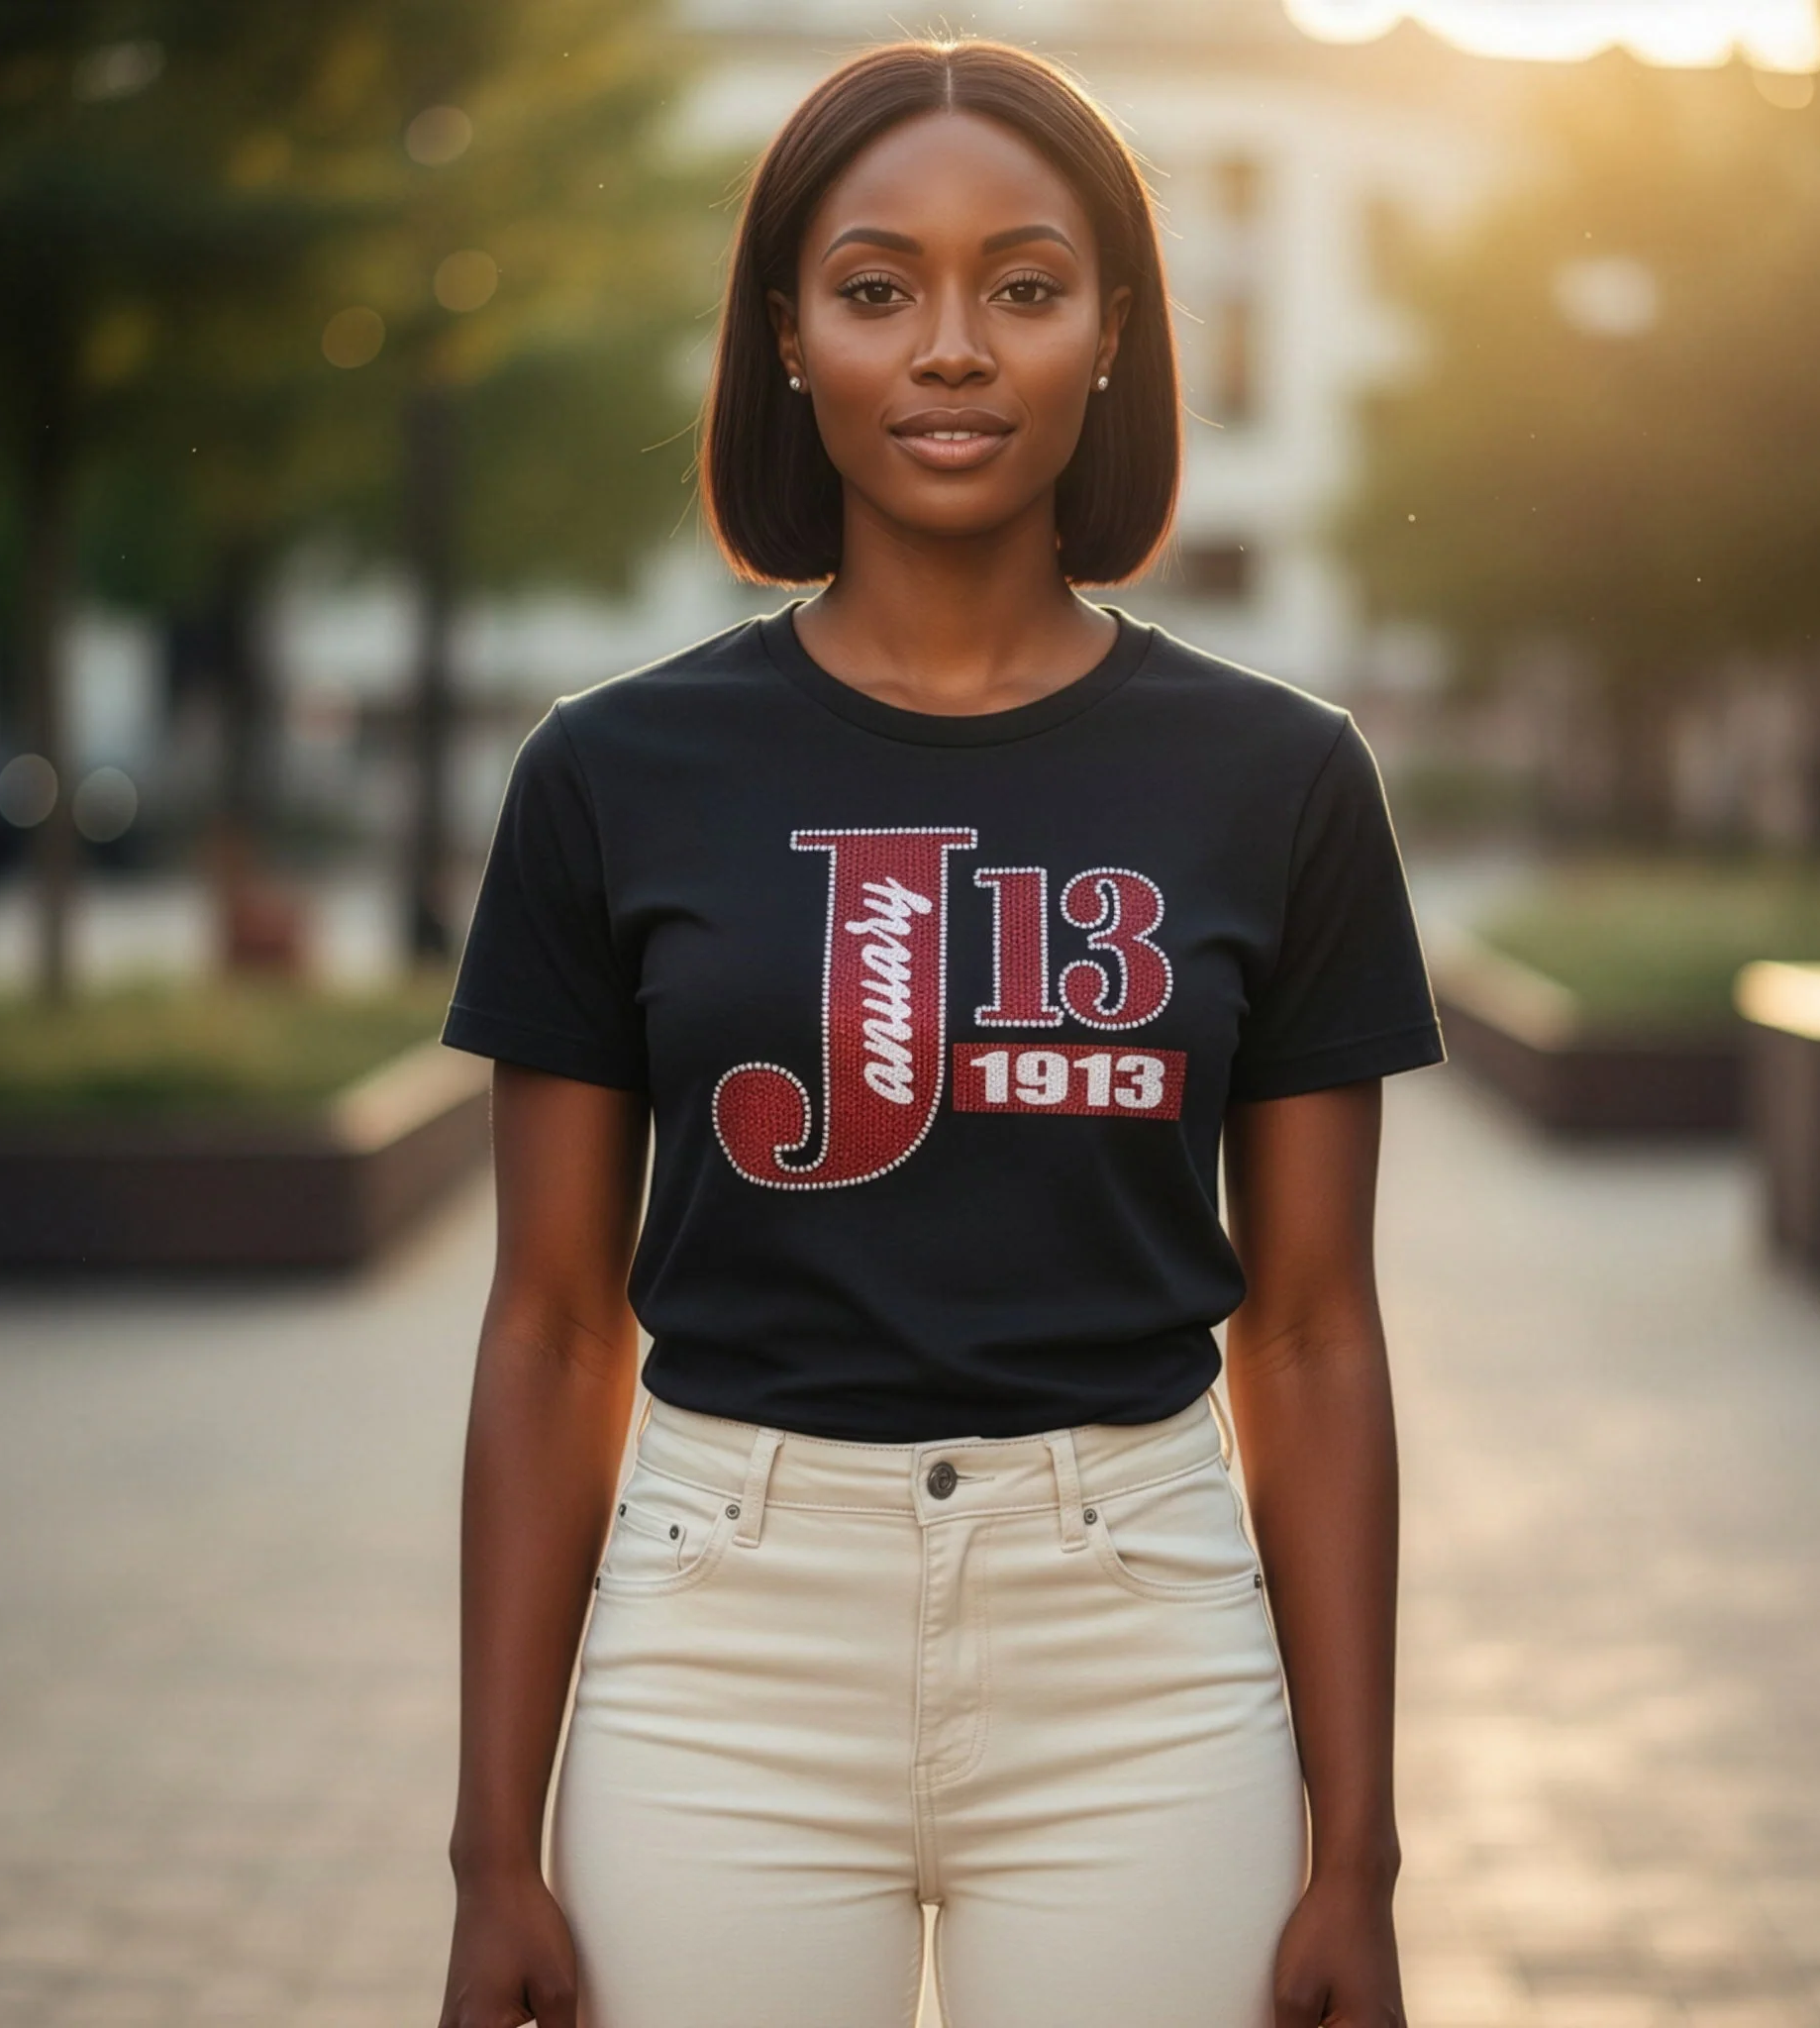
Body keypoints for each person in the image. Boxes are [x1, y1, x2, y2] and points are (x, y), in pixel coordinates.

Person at [434, 37, 1442, 2028]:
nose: (954, 347)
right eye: (878, 287)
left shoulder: (1282, 779)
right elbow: (552, 1328)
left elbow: (1315, 1331)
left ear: (1113, 335)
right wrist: (489, 1852)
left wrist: (1360, 1852)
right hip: (722, 1627)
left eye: (1025, 285)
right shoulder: (609, 773)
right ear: (790, 341)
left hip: (1139, 1638)